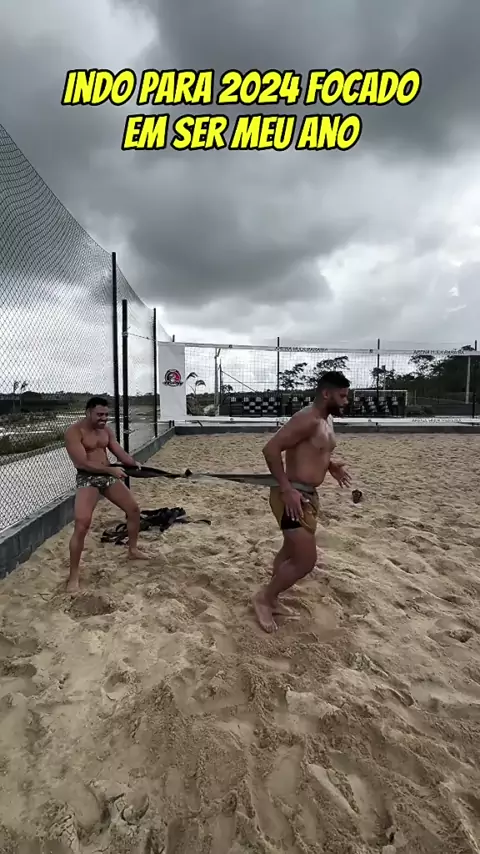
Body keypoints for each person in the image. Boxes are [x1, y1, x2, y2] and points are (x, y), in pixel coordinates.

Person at [253, 371, 352, 632]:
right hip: (291, 496)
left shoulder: (326, 420)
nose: (346, 401)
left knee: (290, 551)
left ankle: (273, 598)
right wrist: (287, 489)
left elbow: (314, 451)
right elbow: (270, 449)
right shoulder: (307, 418)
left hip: (307, 495)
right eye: (342, 396)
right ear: (326, 393)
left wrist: (330, 466)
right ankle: (264, 598)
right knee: (306, 560)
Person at [64, 396, 148, 594]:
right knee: (82, 523)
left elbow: (119, 452)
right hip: (88, 478)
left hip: (108, 475)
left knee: (133, 510)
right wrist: (110, 470)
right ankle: (74, 575)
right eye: (99, 414)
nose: (103, 418)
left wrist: (133, 463)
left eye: (106, 415)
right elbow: (82, 463)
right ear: (88, 412)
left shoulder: (106, 431)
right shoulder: (74, 432)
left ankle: (133, 550)